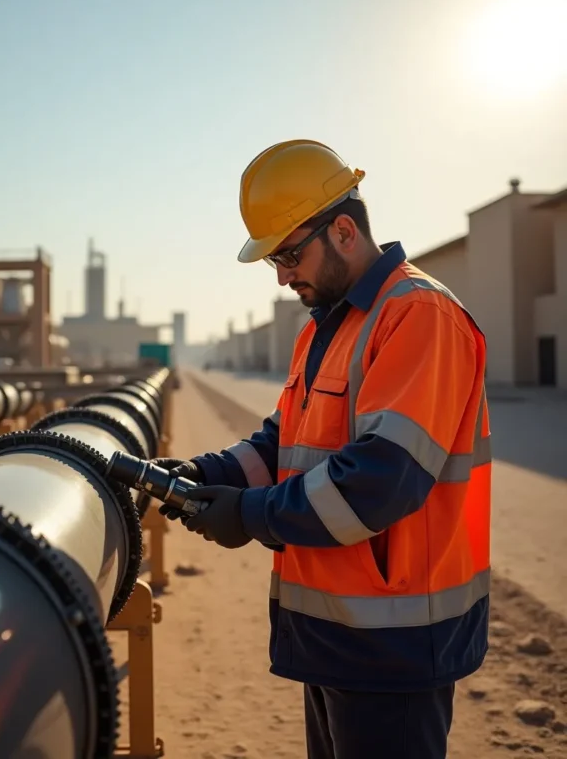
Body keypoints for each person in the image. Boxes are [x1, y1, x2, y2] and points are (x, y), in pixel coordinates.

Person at [155, 139, 491, 759]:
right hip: (335, 634)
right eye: (272, 262)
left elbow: (380, 480)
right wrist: (208, 474)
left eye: (288, 254)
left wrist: (250, 514)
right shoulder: (326, 327)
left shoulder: (418, 315)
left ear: (343, 229)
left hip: (396, 643)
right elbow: (286, 441)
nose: (282, 276)